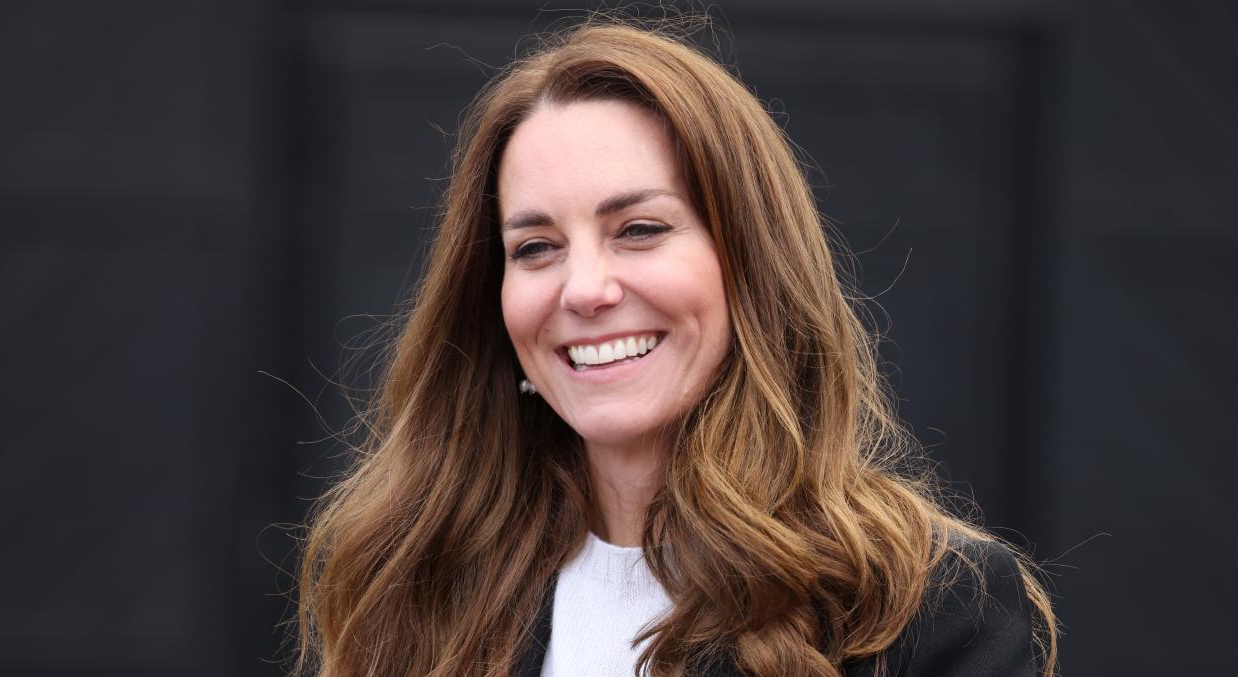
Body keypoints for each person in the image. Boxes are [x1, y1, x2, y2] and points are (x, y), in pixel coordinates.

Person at [292, 17, 1057, 677]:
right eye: (535, 246)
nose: (583, 288)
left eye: (640, 230)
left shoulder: (922, 603)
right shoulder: (411, 583)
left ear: (750, 265)